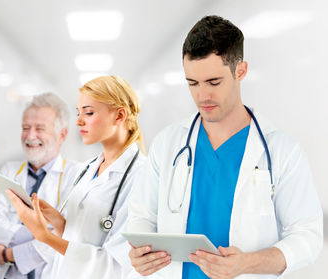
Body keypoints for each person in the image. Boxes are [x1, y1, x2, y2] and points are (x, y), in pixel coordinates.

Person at [127, 15, 323, 279]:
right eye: (192, 83)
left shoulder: (281, 150)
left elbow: (308, 237)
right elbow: (141, 216)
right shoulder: (167, 144)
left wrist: (248, 263)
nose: (202, 96)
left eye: (214, 82)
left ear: (240, 71)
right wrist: (140, 253)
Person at [7, 76, 146, 278]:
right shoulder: (89, 167)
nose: (79, 121)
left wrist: (44, 236)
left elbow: (116, 264)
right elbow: (81, 238)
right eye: (79, 113)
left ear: (119, 116)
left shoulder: (141, 175)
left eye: (88, 113)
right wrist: (58, 221)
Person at [0, 92, 80, 279]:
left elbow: (69, 239)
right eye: (25, 127)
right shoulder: (9, 171)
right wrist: (43, 234)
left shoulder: (76, 175)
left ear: (62, 134)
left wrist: (8, 254)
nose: (30, 135)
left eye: (40, 128)